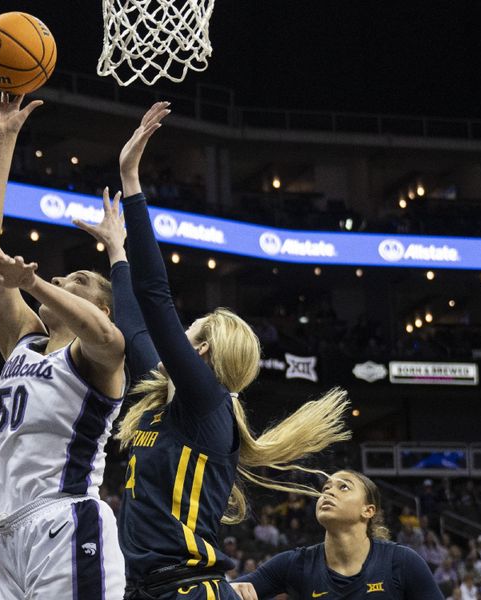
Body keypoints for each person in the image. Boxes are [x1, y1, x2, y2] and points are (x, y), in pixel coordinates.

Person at [90, 101, 350, 600]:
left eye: (188, 335)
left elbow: (155, 299)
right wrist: (117, 251)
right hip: (143, 590)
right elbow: (133, 328)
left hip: (189, 590)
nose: (177, 338)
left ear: (204, 352)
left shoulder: (206, 403)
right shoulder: (161, 398)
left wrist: (132, 180)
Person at [0, 87, 128, 600]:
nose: (64, 279)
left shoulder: (94, 357)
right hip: (5, 532)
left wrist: (35, 285)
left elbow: (111, 338)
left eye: (78, 279)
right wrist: (2, 140)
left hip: (66, 521)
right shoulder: (23, 339)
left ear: (100, 306)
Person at [231, 470, 444, 599]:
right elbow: (223, 592)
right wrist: (232, 588)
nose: (328, 492)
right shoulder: (295, 564)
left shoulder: (402, 562)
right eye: (325, 488)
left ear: (368, 510)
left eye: (343, 487)